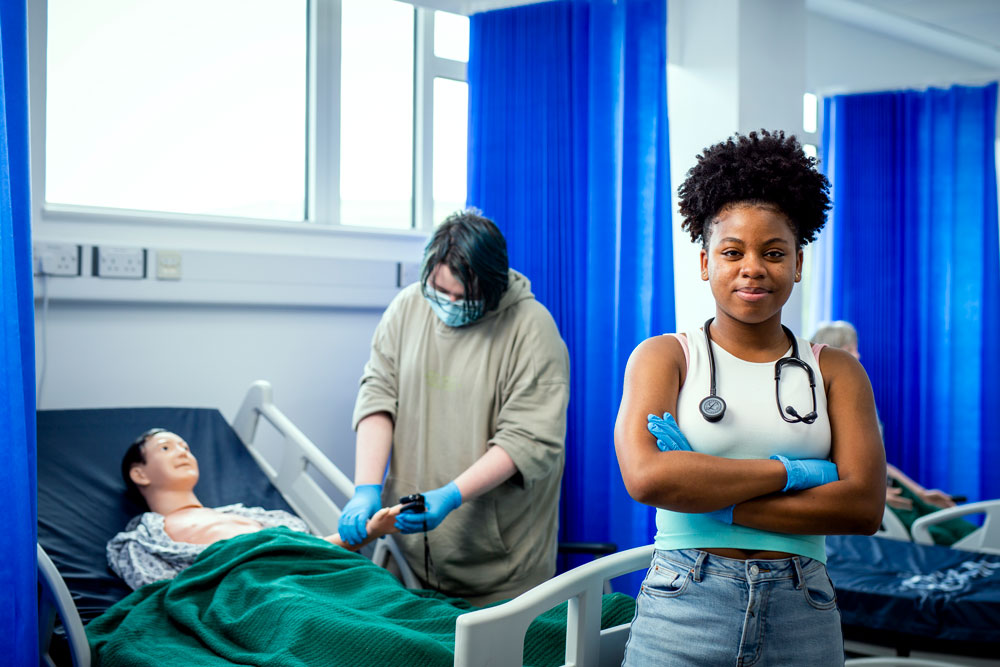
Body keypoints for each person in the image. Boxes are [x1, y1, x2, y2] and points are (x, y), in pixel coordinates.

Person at [615, 130, 886, 665]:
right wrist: (801, 473)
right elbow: (648, 479)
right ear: (704, 262)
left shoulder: (836, 372)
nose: (753, 268)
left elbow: (862, 506)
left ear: (799, 263)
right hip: (685, 601)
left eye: (774, 252)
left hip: (803, 604)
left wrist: (706, 492)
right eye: (732, 251)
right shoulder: (664, 358)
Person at [340, 209, 569, 604]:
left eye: (462, 296)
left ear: (493, 285)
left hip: (499, 566)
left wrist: (450, 495)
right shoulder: (408, 307)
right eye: (438, 289)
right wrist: (366, 488)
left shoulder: (532, 329)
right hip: (409, 553)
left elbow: (526, 440)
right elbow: (378, 394)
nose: (447, 303)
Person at [109, 428, 404, 590]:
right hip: (262, 595)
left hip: (315, 580)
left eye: (185, 446)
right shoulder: (143, 540)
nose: (183, 451)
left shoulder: (249, 515)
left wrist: (371, 531)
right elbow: (164, 594)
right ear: (140, 474)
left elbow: (303, 551)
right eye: (165, 447)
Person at [811, 320, 976, 545]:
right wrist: (874, 493)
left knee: (966, 532)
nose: (858, 356)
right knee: (946, 540)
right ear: (835, 355)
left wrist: (921, 493)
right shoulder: (817, 406)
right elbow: (828, 465)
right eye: (851, 350)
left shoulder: (858, 399)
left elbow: (878, 462)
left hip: (886, 488)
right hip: (870, 495)